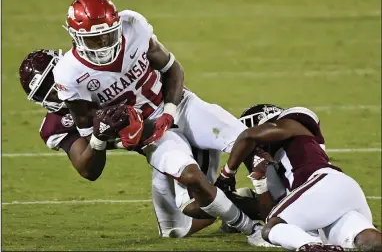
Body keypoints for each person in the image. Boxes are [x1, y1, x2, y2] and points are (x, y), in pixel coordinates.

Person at [52, 0, 259, 237]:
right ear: (76, 36)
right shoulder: (69, 73)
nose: (104, 44)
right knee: (188, 190)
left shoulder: (133, 26)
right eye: (96, 39)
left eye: (108, 35)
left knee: (247, 139)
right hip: (150, 133)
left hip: (179, 105)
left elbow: (173, 69)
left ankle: (283, 199)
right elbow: (91, 135)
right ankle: (251, 227)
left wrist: (169, 113)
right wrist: (127, 138)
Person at [19, 49, 269, 241]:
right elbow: (88, 169)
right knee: (174, 230)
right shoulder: (56, 124)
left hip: (177, 123)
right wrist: (99, 136)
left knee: (193, 202)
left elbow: (162, 70)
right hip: (155, 143)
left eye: (53, 79)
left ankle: (270, 214)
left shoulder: (91, 75)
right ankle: (239, 201)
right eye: (45, 91)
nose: (54, 91)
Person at [216, 104, 382, 251]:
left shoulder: (292, 123)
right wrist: (259, 180)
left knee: (270, 229)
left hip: (324, 182)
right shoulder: (276, 169)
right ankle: (317, 243)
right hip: (335, 199)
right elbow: (273, 215)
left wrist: (226, 174)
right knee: (368, 240)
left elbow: (248, 136)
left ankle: (311, 246)